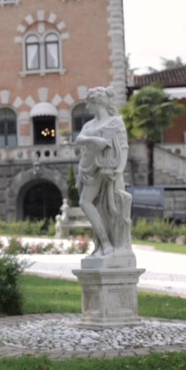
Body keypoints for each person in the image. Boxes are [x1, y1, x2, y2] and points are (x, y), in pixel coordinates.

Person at [74, 86, 132, 257]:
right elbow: (79, 139)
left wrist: (120, 170)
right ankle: (103, 244)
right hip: (87, 168)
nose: (87, 107)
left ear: (97, 103)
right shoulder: (89, 124)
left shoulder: (116, 122)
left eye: (88, 103)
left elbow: (124, 147)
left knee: (105, 207)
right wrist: (95, 139)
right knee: (87, 203)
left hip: (108, 169)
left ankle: (109, 245)